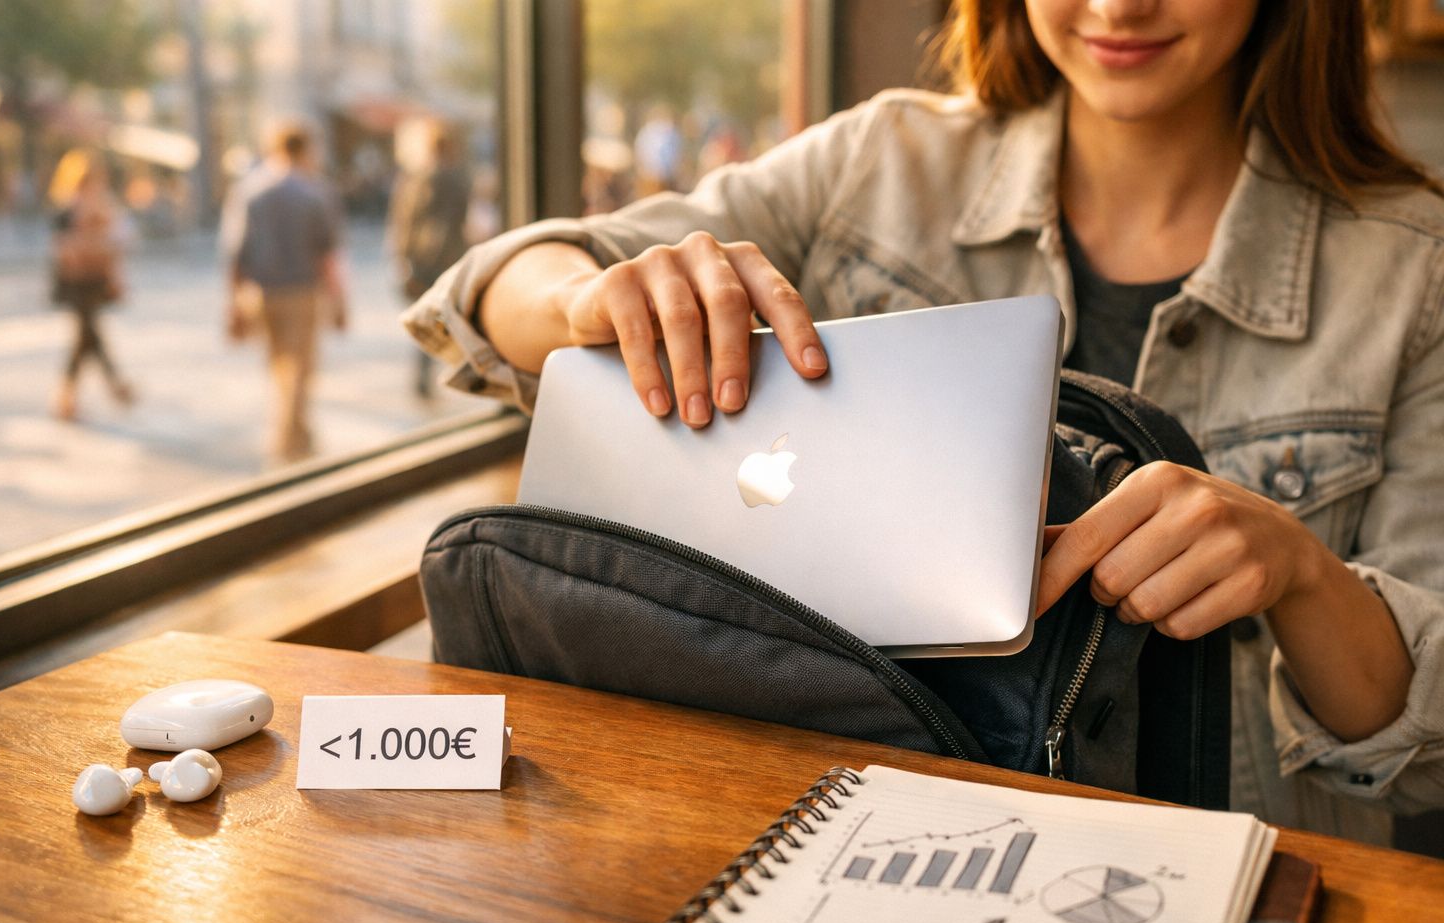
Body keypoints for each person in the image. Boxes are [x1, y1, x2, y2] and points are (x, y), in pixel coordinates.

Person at [404, 0, 1444, 847]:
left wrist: (1302, 574)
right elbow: (483, 299)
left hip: (1219, 875)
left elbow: (1423, 746)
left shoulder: (1414, 268)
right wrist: (590, 300)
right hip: (844, 831)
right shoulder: (879, 159)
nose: (1122, 5)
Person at [220, 119, 346, 463]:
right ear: (305, 149)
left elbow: (234, 252)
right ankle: (289, 444)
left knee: (278, 365)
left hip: (260, 293)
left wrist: (232, 302)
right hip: (301, 292)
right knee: (300, 368)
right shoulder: (316, 192)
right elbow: (328, 255)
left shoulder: (248, 190)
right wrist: (339, 300)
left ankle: (296, 434)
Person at [387, 118, 473, 396]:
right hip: (449, 257)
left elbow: (403, 222)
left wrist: (401, 257)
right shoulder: (457, 178)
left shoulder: (414, 179)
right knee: (450, 316)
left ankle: (426, 375)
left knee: (428, 316)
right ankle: (458, 371)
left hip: (422, 259)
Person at [48, 151, 134, 422]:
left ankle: (69, 397)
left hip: (94, 279)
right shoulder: (65, 211)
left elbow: (119, 240)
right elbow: (63, 251)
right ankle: (112, 384)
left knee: (86, 337)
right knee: (88, 333)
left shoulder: (103, 207)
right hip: (75, 281)